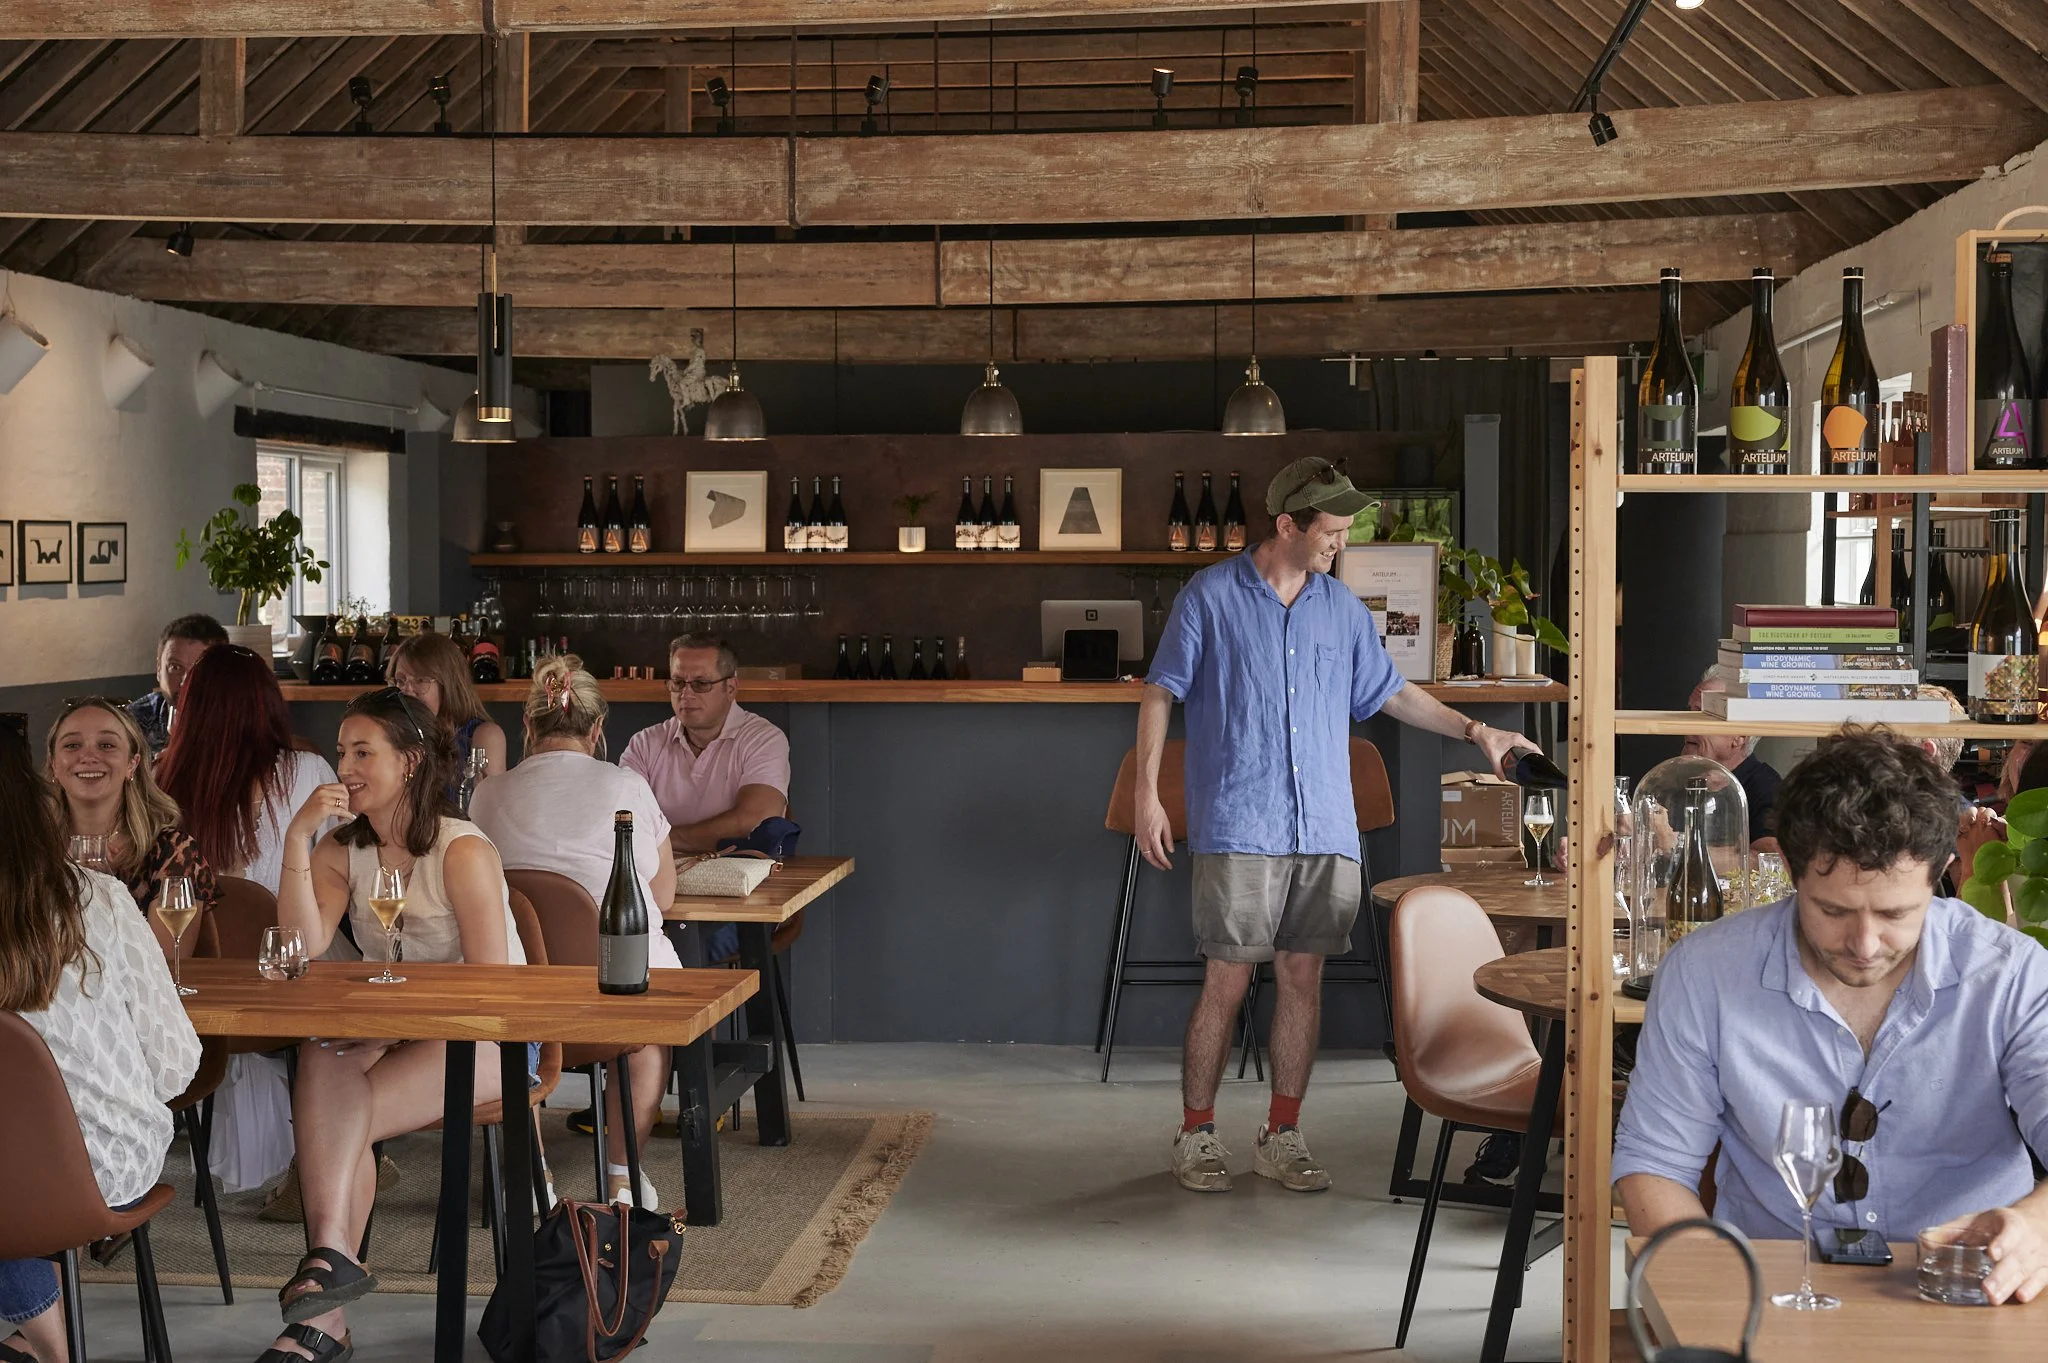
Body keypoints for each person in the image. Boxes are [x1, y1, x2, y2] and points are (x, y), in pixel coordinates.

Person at [1139, 458, 1541, 1195]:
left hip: (1325, 825)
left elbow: (1391, 695)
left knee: (1302, 978)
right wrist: (1147, 794)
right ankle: (1196, 1131)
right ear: (1287, 523)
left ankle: (1283, 1132)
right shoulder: (1211, 598)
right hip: (1239, 821)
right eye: (1330, 528)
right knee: (1227, 979)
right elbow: (1161, 694)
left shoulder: (1342, 610)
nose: (1341, 540)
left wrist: (1475, 729)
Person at [1613, 728, 2048, 1306]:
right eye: (1833, 910)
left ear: (1942, 870)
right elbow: (1654, 1165)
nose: (1864, 944)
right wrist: (1717, 1301)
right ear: (1791, 867)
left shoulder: (2011, 974)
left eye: (1896, 912)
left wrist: (2036, 1228)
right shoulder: (1705, 972)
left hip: (1973, 1287)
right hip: (1768, 1286)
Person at [256, 687, 527, 1363]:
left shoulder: (461, 850)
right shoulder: (342, 850)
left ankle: (326, 1305)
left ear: (408, 761)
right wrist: (295, 835)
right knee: (323, 1055)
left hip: (487, 1036)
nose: (344, 764)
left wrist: (394, 1022)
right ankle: (331, 1276)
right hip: (402, 1030)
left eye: (361, 750)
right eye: (342, 750)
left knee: (345, 1111)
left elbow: (493, 983)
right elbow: (303, 944)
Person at [0, 724, 201, 1363]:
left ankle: (42, 1332)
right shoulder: (102, 900)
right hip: (103, 1159)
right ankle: (51, 1342)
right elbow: (175, 1067)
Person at [469, 654, 678, 1207]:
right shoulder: (627, 786)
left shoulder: (487, 794)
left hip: (523, 990)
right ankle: (621, 1178)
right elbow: (661, 895)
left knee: (516, 1042)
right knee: (645, 1040)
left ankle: (532, 1173)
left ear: (529, 727)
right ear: (598, 728)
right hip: (611, 990)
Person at [46, 698, 218, 949]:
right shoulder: (31, 849)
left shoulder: (173, 851)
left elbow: (162, 965)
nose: (88, 756)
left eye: (106, 745)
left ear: (132, 764)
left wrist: (107, 893)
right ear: (54, 765)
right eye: (72, 745)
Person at [622, 633, 790, 854]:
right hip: (658, 875)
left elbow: (752, 823)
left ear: (731, 688)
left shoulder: (763, 739)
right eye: (678, 682)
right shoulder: (644, 743)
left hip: (742, 877)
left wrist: (659, 841)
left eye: (701, 684)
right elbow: (624, 823)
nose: (686, 694)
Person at [387, 631, 508, 788]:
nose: (406, 690)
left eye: (420, 680)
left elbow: (492, 807)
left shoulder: (484, 735)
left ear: (448, 684)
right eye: (400, 680)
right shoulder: (390, 736)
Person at [1684, 668, 1780, 844]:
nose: (1685, 727)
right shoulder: (1677, 778)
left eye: (1703, 716)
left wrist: (1675, 846)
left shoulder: (1765, 788)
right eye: (1689, 712)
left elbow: (1767, 858)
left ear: (1739, 737)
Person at [127, 613, 228, 755]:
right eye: (175, 667)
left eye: (199, 670)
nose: (185, 682)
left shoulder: (242, 722)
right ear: (159, 669)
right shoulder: (134, 723)